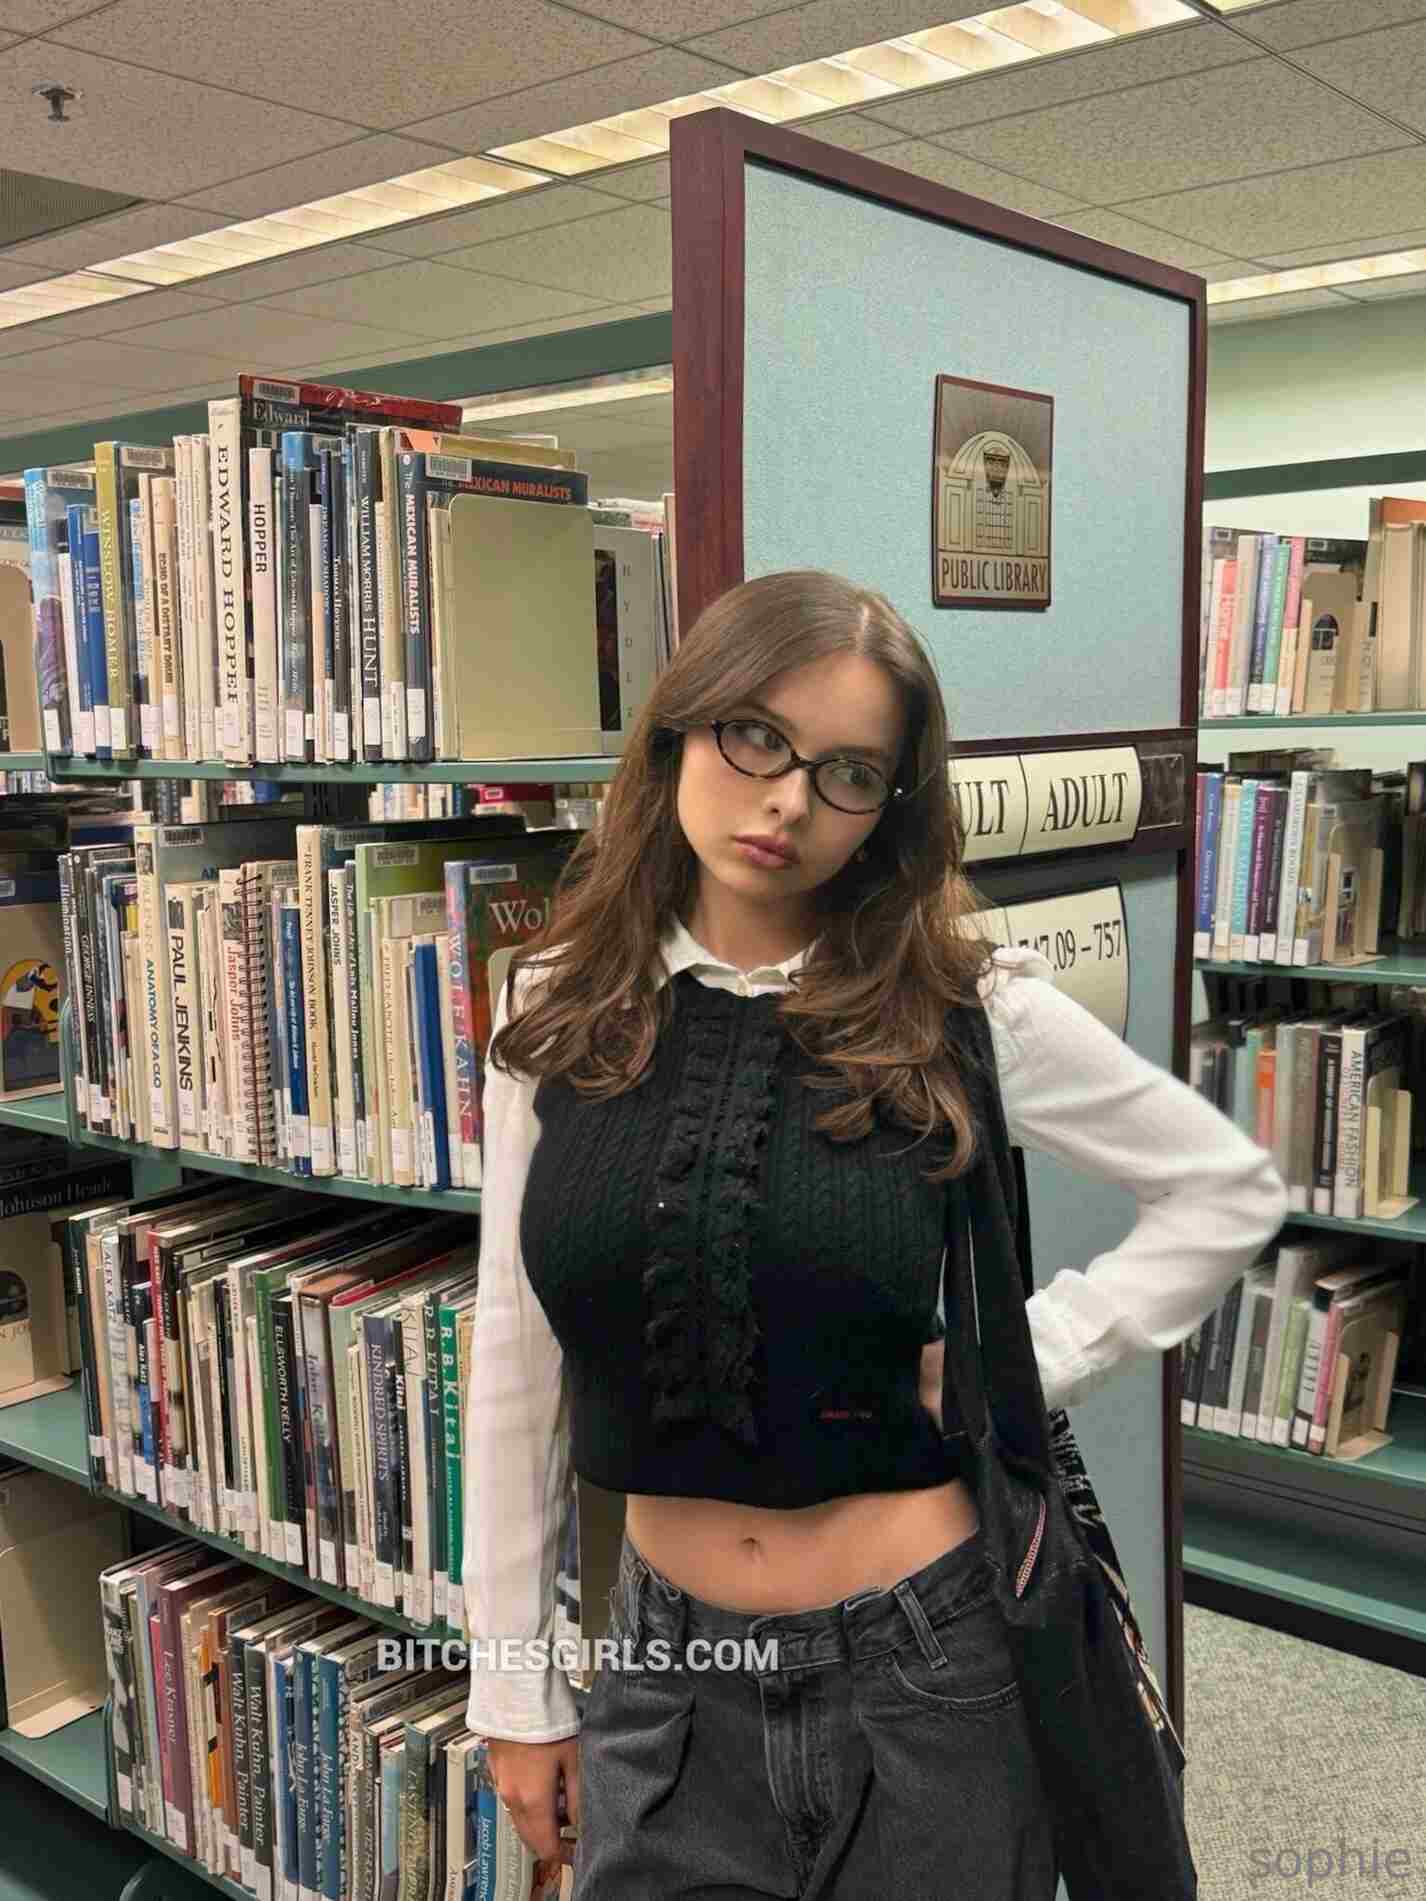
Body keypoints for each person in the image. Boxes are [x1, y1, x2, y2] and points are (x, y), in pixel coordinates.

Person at [461, 569, 1289, 1898]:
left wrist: (1024, 1360)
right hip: (667, 1677)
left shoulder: (960, 1007)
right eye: (755, 737)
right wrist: (512, 1684)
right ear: (679, 727)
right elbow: (515, 1349)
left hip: (926, 1668)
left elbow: (1222, 1187)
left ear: (889, 808)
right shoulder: (558, 1004)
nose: (788, 800)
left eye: (847, 773)